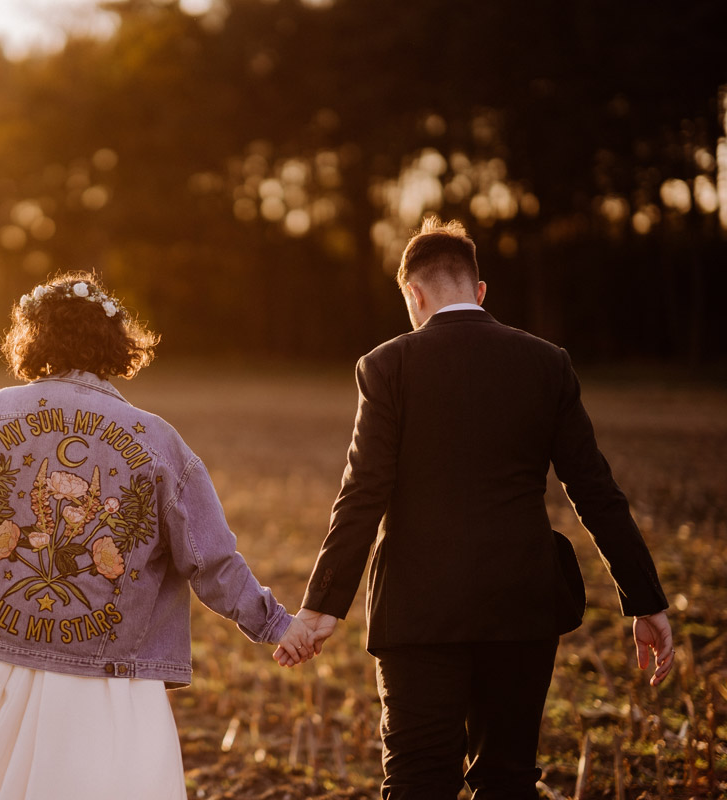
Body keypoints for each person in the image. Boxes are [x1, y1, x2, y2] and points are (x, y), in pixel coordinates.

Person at [276, 217, 674, 800]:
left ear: (414, 295)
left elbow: (362, 494)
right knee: (508, 780)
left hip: (417, 611)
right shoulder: (547, 363)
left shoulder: (386, 366)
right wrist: (646, 600)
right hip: (522, 605)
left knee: (417, 780)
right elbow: (595, 491)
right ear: (479, 291)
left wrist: (322, 605)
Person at [0, 272, 316, 800]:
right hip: (106, 689)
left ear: (34, 339)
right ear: (116, 345)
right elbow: (213, 561)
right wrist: (276, 624)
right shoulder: (158, 440)